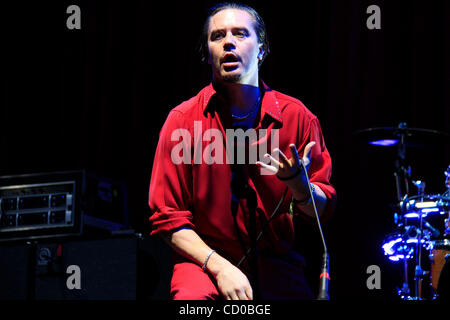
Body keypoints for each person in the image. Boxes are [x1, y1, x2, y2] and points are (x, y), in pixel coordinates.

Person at [148, 2, 336, 300]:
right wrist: (221, 268)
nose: (228, 43)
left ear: (261, 49)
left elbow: (323, 210)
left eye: (240, 34)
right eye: (217, 36)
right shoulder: (182, 121)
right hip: (203, 261)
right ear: (206, 53)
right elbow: (167, 218)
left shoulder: (297, 117)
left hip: (274, 261)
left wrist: (301, 187)